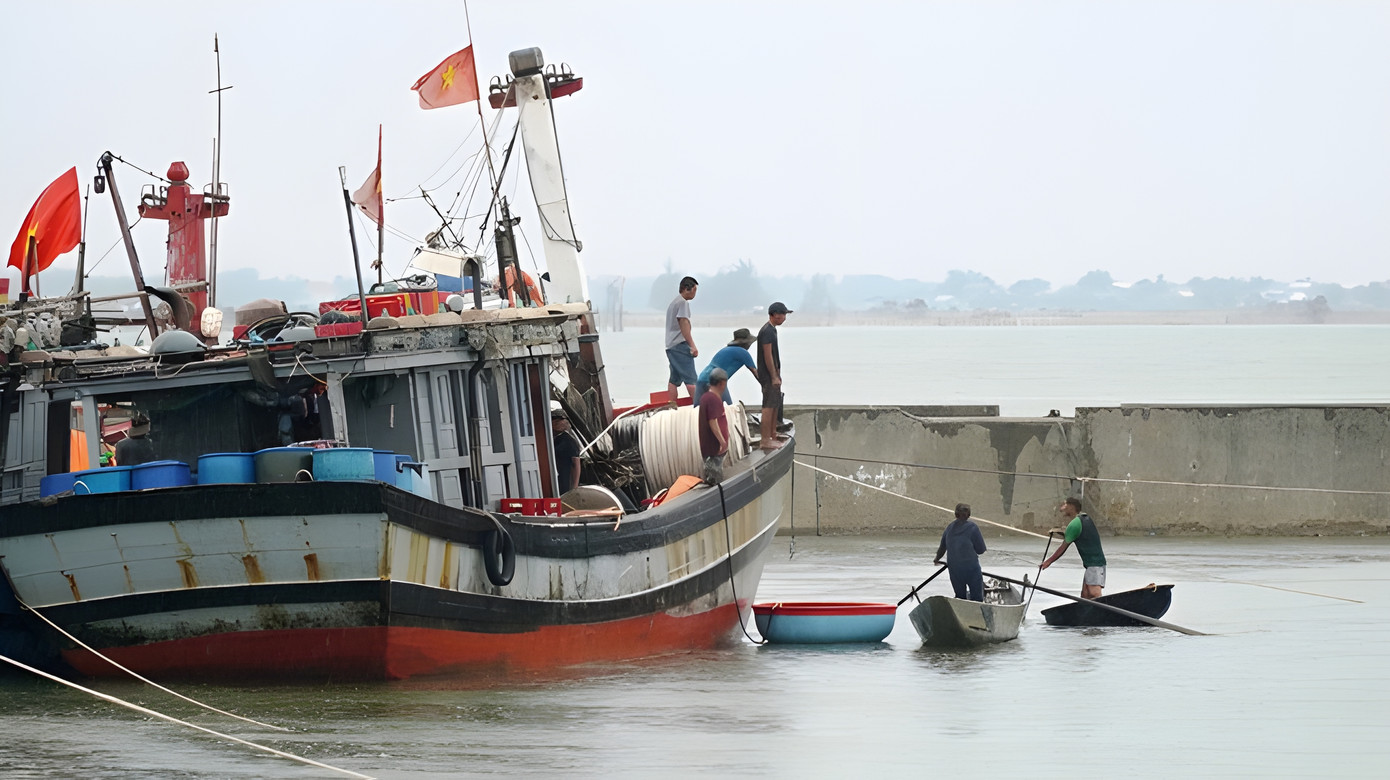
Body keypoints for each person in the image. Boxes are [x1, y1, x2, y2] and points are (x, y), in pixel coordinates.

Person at [1040, 497, 1107, 598]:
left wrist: (1048, 562)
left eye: (1065, 505)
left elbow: (1063, 547)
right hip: (1093, 564)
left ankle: (1104, 613)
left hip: (1095, 564)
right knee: (1085, 595)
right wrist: (1059, 531)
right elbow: (1077, 534)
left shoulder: (1074, 524)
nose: (1062, 509)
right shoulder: (1084, 518)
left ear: (1071, 507)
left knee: (1094, 593)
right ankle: (1084, 613)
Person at [933, 503, 987, 601]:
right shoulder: (973, 527)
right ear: (969, 514)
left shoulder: (949, 528)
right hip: (972, 570)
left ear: (956, 514)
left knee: (960, 597)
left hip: (955, 570)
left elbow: (942, 548)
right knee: (977, 598)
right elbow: (981, 550)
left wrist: (937, 559)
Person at [756, 301, 791, 450]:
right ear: (775, 315)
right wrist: (773, 376)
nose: (784, 317)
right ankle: (765, 440)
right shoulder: (767, 331)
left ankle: (773, 434)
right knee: (768, 406)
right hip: (768, 375)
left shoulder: (772, 330)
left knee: (775, 404)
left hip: (774, 374)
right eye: (783, 314)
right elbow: (767, 355)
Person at [694, 328, 757, 403]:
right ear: (745, 343)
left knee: (699, 410)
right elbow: (756, 372)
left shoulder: (726, 349)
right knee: (727, 408)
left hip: (701, 379)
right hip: (716, 382)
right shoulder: (743, 352)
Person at [664, 276, 699, 406]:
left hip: (670, 345)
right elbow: (684, 324)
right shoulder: (682, 303)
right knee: (691, 380)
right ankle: (699, 408)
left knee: (674, 379)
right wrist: (692, 346)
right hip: (679, 345)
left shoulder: (674, 302)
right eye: (694, 290)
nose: (695, 293)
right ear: (686, 289)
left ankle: (672, 406)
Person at [697, 368, 730, 484]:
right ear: (721, 383)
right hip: (714, 449)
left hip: (712, 448)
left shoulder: (706, 397)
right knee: (715, 480)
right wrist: (722, 441)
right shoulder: (712, 399)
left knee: (715, 476)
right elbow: (713, 421)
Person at [551, 409, 582, 494]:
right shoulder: (555, 439)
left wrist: (574, 487)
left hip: (564, 479)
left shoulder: (567, 440)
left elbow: (576, 463)